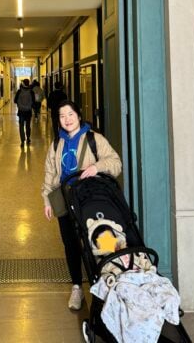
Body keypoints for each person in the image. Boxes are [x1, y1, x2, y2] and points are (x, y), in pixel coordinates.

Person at [41, 100, 122, 311]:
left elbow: (115, 163)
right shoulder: (56, 144)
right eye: (62, 116)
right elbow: (50, 173)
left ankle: (107, 284)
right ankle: (77, 287)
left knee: (101, 242)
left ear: (78, 115)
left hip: (91, 201)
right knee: (71, 245)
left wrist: (97, 166)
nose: (67, 119)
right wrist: (47, 199)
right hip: (66, 201)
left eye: (70, 114)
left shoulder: (95, 139)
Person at [14, 78, 35, 147]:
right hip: (28, 112)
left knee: (21, 126)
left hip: (21, 112)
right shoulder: (31, 91)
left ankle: (22, 141)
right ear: (28, 83)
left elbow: (15, 100)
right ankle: (28, 138)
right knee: (28, 126)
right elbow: (33, 102)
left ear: (23, 83)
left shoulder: (19, 91)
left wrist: (21, 105)